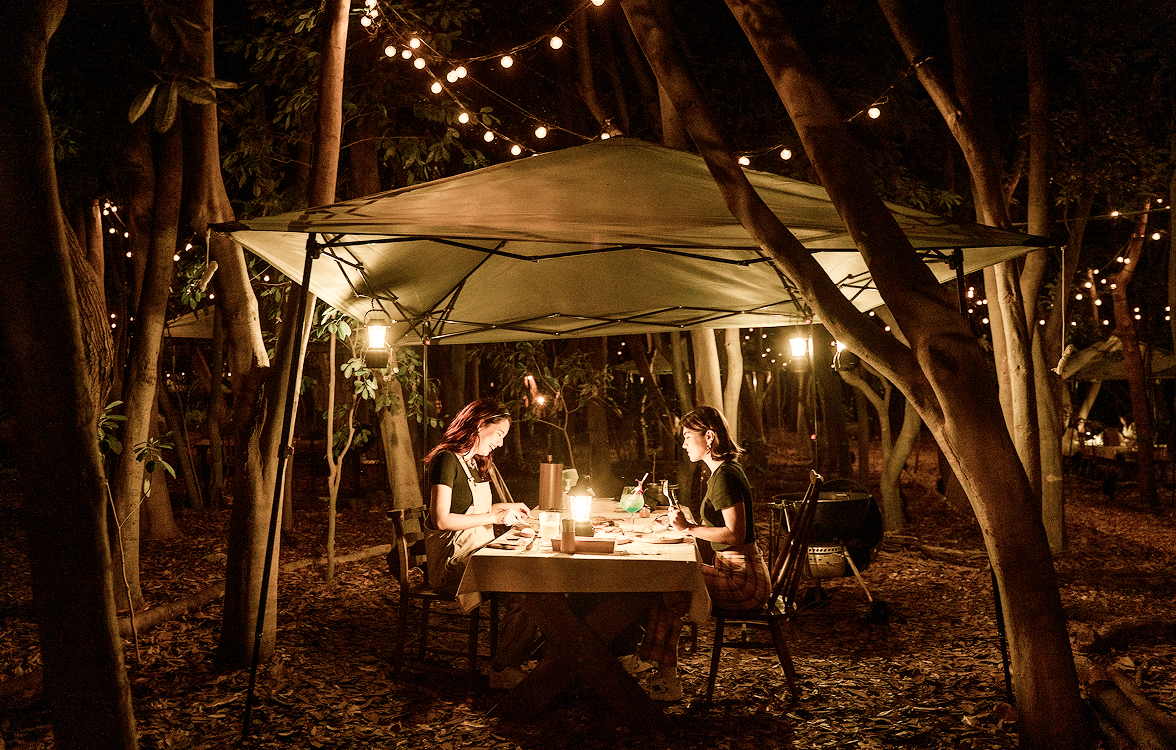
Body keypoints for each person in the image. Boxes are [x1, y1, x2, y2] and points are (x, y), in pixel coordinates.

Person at [624, 405, 771, 701]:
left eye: (688, 436)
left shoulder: (725, 476)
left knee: (672, 583)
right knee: (669, 580)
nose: (683, 444)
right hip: (734, 570)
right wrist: (684, 527)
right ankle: (653, 662)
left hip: (744, 581)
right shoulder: (722, 472)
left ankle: (663, 674)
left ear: (709, 437)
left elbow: (735, 533)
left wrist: (689, 528)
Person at [423, 398, 538, 689]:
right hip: (452, 565)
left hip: (477, 554)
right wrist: (496, 517)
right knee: (528, 592)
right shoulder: (446, 460)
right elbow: (442, 519)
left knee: (537, 582)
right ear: (479, 425)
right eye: (498, 434)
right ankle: (502, 669)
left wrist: (506, 507)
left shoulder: (473, 463)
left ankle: (531, 657)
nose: (500, 442)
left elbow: (470, 510)